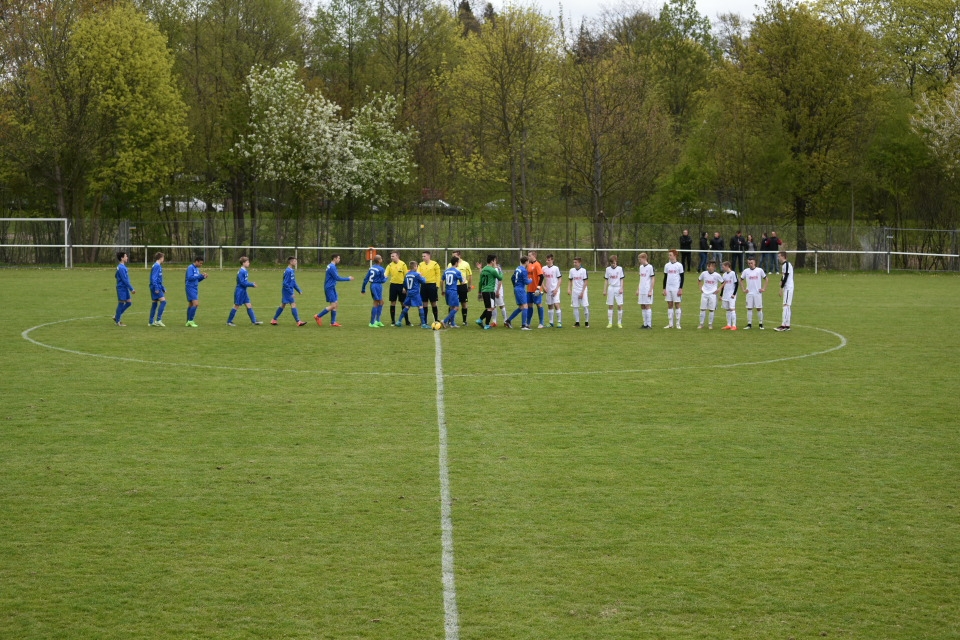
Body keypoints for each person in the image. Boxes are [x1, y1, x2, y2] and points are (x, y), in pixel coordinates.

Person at [314, 254, 353, 327]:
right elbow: (337, 278)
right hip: (329, 288)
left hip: (332, 287)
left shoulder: (331, 266)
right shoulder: (332, 267)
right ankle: (318, 316)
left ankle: (333, 322)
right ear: (334, 259)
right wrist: (348, 278)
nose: (339, 259)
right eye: (338, 258)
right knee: (333, 305)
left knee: (336, 304)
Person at [272, 256, 307, 326]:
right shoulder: (288, 271)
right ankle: (298, 321)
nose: (296, 262)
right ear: (291, 262)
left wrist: (298, 290)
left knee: (283, 305)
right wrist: (291, 292)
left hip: (288, 290)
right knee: (293, 304)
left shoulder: (291, 270)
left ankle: (274, 319)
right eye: (295, 261)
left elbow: (293, 282)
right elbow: (285, 283)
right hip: (287, 290)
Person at [227, 256, 262, 326]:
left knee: (249, 305)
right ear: (243, 263)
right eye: (247, 262)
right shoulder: (241, 271)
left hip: (244, 291)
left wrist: (251, 284)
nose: (249, 263)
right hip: (239, 291)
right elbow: (242, 282)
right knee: (236, 306)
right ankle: (229, 321)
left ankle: (254, 321)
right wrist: (252, 284)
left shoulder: (245, 271)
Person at [396, 261, 429, 328]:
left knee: (407, 306)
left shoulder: (407, 275)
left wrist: (406, 289)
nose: (417, 267)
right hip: (415, 293)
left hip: (409, 293)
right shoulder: (416, 275)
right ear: (414, 267)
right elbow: (423, 281)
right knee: (420, 306)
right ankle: (423, 324)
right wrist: (422, 276)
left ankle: (399, 321)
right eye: (417, 266)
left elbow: (404, 284)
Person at [740, 257, 767, 330]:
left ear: (754, 262)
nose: (750, 264)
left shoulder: (759, 270)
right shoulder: (746, 271)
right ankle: (749, 324)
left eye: (751, 263)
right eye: (749, 263)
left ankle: (760, 324)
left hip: (757, 293)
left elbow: (766, 279)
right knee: (749, 308)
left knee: (759, 308)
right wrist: (743, 289)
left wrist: (763, 288)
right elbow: (741, 280)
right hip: (749, 293)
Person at [475, 254, 502, 330]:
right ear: (492, 261)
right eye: (495, 260)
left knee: (489, 307)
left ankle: (480, 320)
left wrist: (479, 292)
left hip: (484, 291)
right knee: (490, 308)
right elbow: (500, 277)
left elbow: (480, 282)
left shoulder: (483, 270)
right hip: (490, 291)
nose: (495, 262)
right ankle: (487, 325)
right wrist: (499, 270)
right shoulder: (493, 270)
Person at [361, 254, 388, 328]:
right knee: (376, 302)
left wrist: (363, 289)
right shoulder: (381, 269)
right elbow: (383, 280)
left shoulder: (371, 268)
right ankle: (372, 322)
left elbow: (366, 279)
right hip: (377, 286)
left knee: (381, 302)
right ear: (379, 260)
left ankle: (378, 321)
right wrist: (386, 278)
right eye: (381, 258)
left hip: (373, 285)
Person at [506, 255, 531, 330]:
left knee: (521, 307)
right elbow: (526, 282)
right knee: (525, 306)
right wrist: (531, 280)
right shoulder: (524, 270)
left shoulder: (517, 268)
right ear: (526, 262)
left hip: (517, 288)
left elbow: (512, 278)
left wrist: (515, 285)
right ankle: (524, 325)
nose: (529, 263)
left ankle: (508, 321)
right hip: (520, 289)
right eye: (528, 262)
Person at [385, 251, 410, 326]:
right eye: (391, 256)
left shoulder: (403, 264)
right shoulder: (389, 265)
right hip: (393, 285)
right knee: (393, 302)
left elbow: (406, 276)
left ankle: (407, 321)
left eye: (393, 256)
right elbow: (386, 274)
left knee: (403, 303)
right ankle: (393, 321)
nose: (391, 257)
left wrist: (405, 287)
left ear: (397, 256)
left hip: (401, 286)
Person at [662, 249, 684, 329]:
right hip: (668, 288)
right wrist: (664, 288)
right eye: (669, 255)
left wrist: (680, 288)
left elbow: (682, 277)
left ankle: (678, 323)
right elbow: (665, 277)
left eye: (670, 255)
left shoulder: (679, 265)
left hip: (676, 288)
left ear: (675, 255)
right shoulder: (667, 265)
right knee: (669, 304)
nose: (669, 256)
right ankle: (670, 324)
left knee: (677, 304)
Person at [697, 260, 723, 329]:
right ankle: (701, 324)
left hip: (712, 294)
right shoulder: (704, 273)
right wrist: (700, 288)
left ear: (714, 267)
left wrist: (719, 289)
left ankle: (710, 324)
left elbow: (723, 282)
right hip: (704, 294)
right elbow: (699, 280)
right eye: (708, 265)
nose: (708, 267)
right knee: (702, 309)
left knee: (711, 310)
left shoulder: (717, 275)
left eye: (710, 266)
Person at [418, 251, 442, 323]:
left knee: (433, 302)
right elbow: (418, 274)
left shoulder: (435, 264)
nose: (423, 258)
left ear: (429, 256)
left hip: (432, 285)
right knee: (424, 303)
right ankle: (424, 320)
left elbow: (438, 275)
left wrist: (437, 285)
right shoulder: (420, 264)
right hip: (424, 285)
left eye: (424, 256)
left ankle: (436, 319)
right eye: (422, 256)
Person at [441, 257, 465, 327]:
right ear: (456, 263)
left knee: (452, 307)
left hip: (447, 290)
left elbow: (441, 281)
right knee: (457, 307)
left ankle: (452, 323)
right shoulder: (457, 271)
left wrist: (442, 290)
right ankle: (445, 321)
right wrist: (464, 280)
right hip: (453, 291)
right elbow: (461, 282)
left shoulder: (446, 271)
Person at [184, 256, 207, 327]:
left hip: (195, 288)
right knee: (196, 304)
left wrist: (203, 277)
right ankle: (190, 321)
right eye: (200, 263)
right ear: (196, 261)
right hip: (190, 287)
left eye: (202, 264)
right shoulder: (190, 267)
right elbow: (190, 278)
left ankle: (188, 321)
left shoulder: (197, 269)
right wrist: (199, 276)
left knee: (191, 304)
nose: (201, 265)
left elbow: (196, 279)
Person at [603, 254, 625, 328]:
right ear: (610, 263)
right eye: (612, 263)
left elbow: (622, 279)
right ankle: (610, 323)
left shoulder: (620, 269)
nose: (613, 264)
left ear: (616, 262)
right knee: (610, 305)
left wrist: (621, 288)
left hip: (618, 288)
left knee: (619, 305)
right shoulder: (607, 269)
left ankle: (619, 322)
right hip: (611, 288)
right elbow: (606, 280)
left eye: (614, 263)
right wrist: (605, 290)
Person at [114, 251, 135, 327]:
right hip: (122, 288)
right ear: (122, 258)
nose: (127, 257)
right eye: (126, 256)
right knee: (121, 303)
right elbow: (124, 279)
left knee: (129, 303)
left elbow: (116, 276)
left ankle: (117, 316)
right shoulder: (121, 268)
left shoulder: (121, 267)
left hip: (125, 288)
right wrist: (131, 288)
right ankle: (118, 321)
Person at [567, 256, 590, 327]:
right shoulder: (571, 270)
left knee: (585, 306)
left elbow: (586, 282)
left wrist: (582, 292)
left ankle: (586, 322)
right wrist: (569, 289)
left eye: (576, 262)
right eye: (574, 262)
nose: (574, 263)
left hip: (582, 290)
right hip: (575, 291)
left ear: (580, 263)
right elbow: (570, 280)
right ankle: (577, 322)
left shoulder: (583, 270)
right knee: (575, 307)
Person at [452, 250, 472, 325]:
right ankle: (451, 320)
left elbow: (470, 275)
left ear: (459, 256)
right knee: (452, 303)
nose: (453, 257)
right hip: (453, 286)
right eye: (452, 256)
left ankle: (464, 321)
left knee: (463, 303)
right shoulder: (450, 264)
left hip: (462, 286)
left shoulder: (465, 264)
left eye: (455, 256)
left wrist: (469, 285)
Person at [526, 250, 545, 328]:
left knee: (538, 305)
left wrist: (538, 288)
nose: (528, 257)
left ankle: (541, 323)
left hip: (536, 290)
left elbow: (541, 276)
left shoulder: (537, 265)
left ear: (534, 256)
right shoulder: (529, 265)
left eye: (530, 255)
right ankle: (528, 323)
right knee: (529, 305)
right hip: (529, 289)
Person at [776, 251, 794, 331]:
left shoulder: (786, 264)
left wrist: (781, 288)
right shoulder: (785, 265)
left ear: (783, 256)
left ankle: (783, 326)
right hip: (788, 287)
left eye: (779, 256)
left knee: (785, 306)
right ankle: (787, 325)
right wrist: (781, 280)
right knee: (787, 306)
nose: (778, 258)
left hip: (788, 287)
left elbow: (786, 276)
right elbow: (784, 276)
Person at [636, 252, 654, 329]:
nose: (639, 261)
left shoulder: (650, 267)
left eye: (640, 259)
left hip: (647, 289)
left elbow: (653, 279)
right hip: (641, 289)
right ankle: (645, 324)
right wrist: (638, 289)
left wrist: (650, 290)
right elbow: (641, 279)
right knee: (642, 305)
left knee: (647, 305)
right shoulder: (641, 267)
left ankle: (649, 325)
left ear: (644, 258)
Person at [543, 254, 562, 328]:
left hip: (555, 289)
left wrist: (557, 289)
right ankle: (551, 322)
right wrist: (544, 287)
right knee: (549, 305)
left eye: (549, 260)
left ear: (552, 260)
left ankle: (559, 322)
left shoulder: (556, 268)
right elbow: (541, 279)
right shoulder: (543, 268)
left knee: (556, 304)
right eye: (547, 260)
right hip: (548, 290)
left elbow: (560, 279)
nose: (547, 261)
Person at [719, 260, 739, 330]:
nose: (722, 268)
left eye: (723, 267)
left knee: (732, 309)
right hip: (725, 295)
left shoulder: (733, 273)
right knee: (727, 310)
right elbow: (723, 286)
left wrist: (734, 294)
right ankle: (728, 325)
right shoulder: (724, 275)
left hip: (731, 295)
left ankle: (734, 325)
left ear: (727, 266)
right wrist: (721, 295)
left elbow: (736, 284)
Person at [148, 252, 166, 327]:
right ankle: (158, 320)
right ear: (161, 258)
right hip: (155, 287)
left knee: (154, 303)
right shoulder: (157, 266)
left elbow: (158, 279)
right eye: (163, 258)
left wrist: (163, 287)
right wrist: (157, 288)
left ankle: (151, 322)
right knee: (163, 302)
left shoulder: (156, 266)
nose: (163, 259)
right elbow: (154, 278)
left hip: (156, 286)